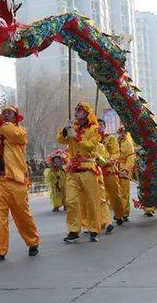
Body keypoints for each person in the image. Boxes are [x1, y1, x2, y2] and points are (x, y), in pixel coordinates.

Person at [0, 89, 40, 262]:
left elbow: (12, 133)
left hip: (16, 181)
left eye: (10, 113)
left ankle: (32, 241)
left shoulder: (20, 132)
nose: (6, 114)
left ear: (16, 117)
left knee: (22, 215)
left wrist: (0, 121)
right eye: (4, 112)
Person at [58, 102, 114, 244]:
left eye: (80, 110)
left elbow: (89, 146)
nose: (77, 112)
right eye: (76, 110)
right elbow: (60, 139)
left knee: (91, 201)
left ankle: (94, 230)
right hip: (72, 170)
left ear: (87, 113)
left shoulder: (95, 129)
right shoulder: (72, 127)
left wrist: (76, 136)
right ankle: (73, 231)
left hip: (88, 168)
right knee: (71, 201)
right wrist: (66, 130)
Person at [97, 119, 125, 226]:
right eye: (97, 125)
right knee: (99, 196)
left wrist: (111, 159)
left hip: (109, 170)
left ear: (104, 126)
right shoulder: (92, 139)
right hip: (96, 171)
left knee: (115, 194)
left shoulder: (111, 138)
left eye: (101, 125)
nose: (99, 127)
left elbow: (116, 153)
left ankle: (119, 215)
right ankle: (101, 219)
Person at [117, 127, 136, 222]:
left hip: (124, 172)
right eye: (121, 132)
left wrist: (126, 170)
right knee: (116, 194)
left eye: (124, 132)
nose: (122, 134)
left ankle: (123, 213)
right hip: (114, 171)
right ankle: (118, 212)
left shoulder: (129, 144)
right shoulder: (114, 142)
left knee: (124, 193)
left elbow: (131, 160)